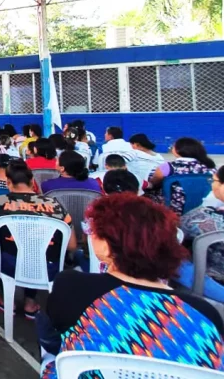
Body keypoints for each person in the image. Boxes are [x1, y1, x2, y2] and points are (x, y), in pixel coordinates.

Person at [38, 194, 224, 378]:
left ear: (107, 246)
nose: (90, 236)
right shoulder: (205, 314)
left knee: (49, 338)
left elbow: (54, 337)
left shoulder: (72, 286)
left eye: (93, 231)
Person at [0, 160, 75, 318]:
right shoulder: (55, 205)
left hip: (9, 265)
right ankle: (30, 301)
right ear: (32, 181)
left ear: (8, 182)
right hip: (47, 267)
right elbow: (71, 246)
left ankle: (6, 299)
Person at [177, 165, 224, 301]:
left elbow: (178, 231)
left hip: (216, 286)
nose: (212, 186)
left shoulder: (200, 218)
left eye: (214, 181)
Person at [145, 137, 216, 214]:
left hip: (173, 209)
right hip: (203, 207)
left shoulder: (168, 167)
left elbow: (152, 185)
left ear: (177, 151)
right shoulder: (210, 168)